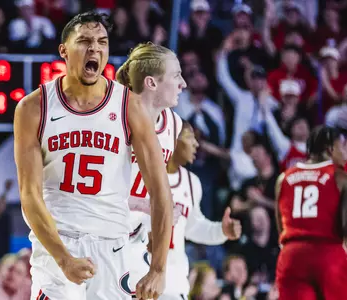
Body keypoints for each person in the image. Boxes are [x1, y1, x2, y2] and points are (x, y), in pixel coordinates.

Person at [14, 11, 174, 300]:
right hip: (56, 243)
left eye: (102, 42)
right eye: (85, 41)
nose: (95, 49)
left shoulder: (129, 106)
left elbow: (161, 192)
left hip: (111, 246)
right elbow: (29, 195)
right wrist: (63, 259)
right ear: (64, 50)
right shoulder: (33, 108)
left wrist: (159, 269)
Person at [114, 42, 185, 297]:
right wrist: (146, 205)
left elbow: (155, 185)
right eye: (176, 75)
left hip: (135, 239)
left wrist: (162, 210)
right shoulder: (114, 120)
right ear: (152, 83)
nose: (183, 84)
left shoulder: (173, 123)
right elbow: (95, 193)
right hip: (100, 239)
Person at [146, 122, 242, 300]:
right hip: (140, 273)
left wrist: (221, 231)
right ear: (172, 139)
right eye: (191, 138)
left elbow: (193, 227)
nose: (196, 144)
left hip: (173, 281)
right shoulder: (144, 174)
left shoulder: (191, 182)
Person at [275, 126, 347, 299]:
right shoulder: (339, 177)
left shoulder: (283, 178)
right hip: (328, 254)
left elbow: (280, 225)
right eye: (343, 146)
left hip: (291, 256)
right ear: (330, 149)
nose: (345, 152)